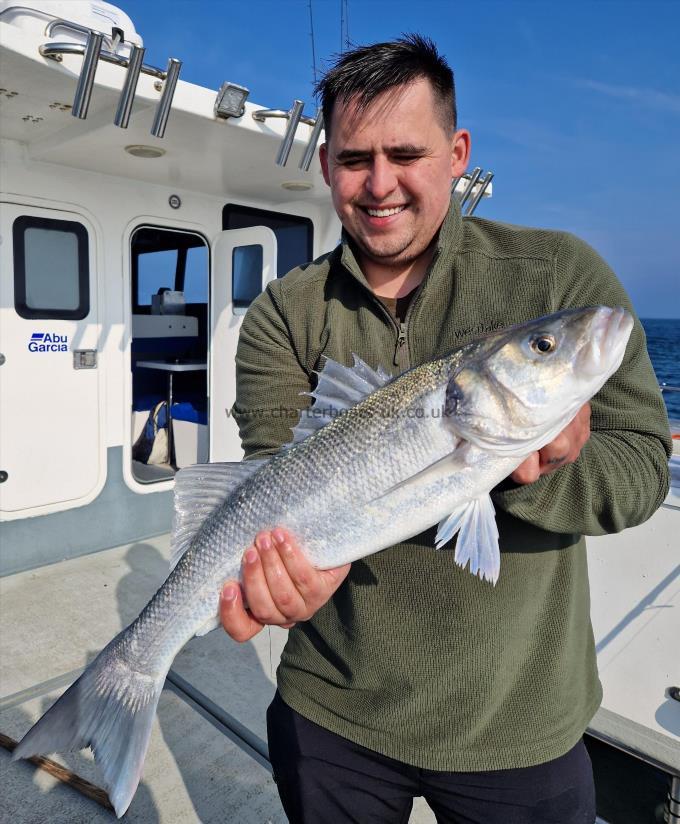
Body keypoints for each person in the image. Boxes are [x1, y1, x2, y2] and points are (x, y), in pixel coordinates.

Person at [219, 36, 671, 824]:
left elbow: (638, 468)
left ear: (457, 153)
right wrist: (280, 578)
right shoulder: (282, 316)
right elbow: (276, 482)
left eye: (406, 152)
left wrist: (553, 469)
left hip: (520, 726)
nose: (380, 183)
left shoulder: (559, 275)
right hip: (331, 712)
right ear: (326, 166)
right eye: (356, 158)